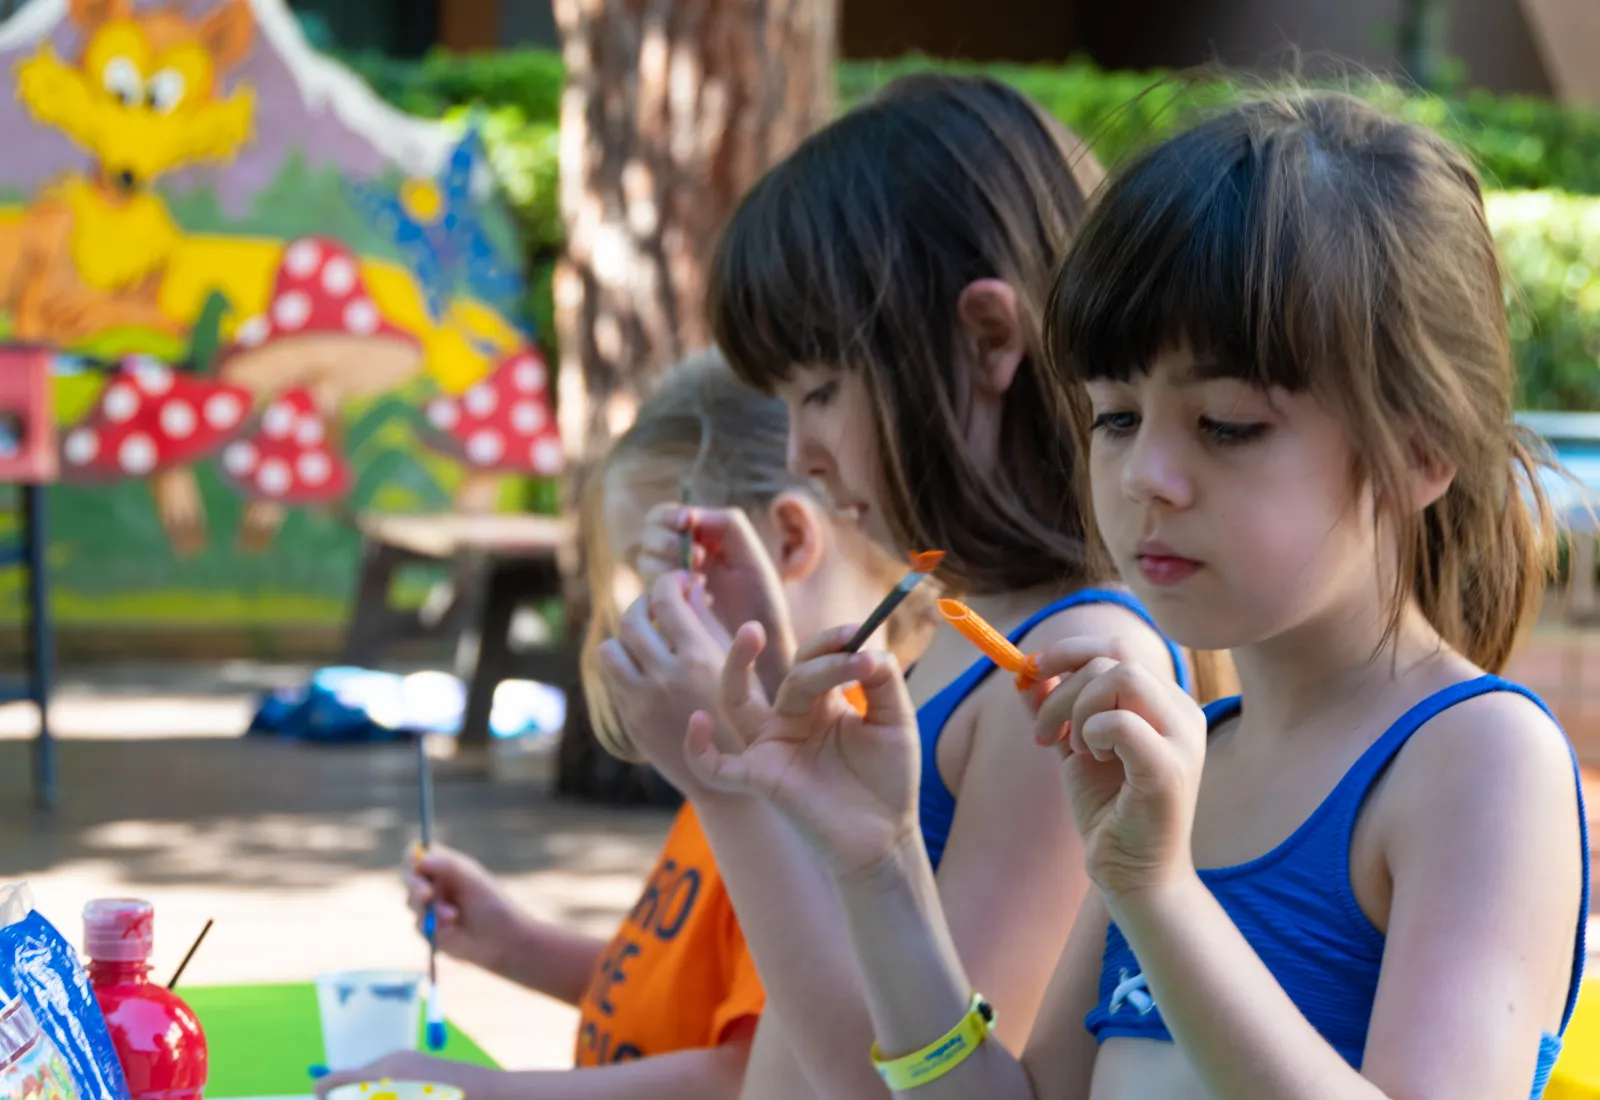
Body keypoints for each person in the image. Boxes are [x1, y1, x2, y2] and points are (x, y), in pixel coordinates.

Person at [682, 89, 1592, 1099]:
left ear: (1422, 449)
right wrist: (878, 861)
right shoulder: (1189, 760)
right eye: (1114, 416)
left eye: (1226, 425)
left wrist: (1159, 894)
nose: (1145, 476)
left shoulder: (1478, 760)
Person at [598, 73, 1193, 1098]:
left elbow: (901, 1084)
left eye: (821, 391)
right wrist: (766, 689)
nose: (801, 452)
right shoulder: (975, 628)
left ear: (989, 340)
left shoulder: (1071, 671)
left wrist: (727, 781)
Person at [314, 351, 929, 1100]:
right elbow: (682, 1003)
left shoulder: (826, 775)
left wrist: (486, 1092)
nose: (642, 612)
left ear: (789, 543)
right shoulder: (742, 753)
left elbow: (747, 1075)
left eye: (658, 570)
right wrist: (515, 943)